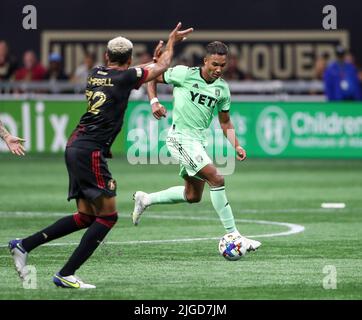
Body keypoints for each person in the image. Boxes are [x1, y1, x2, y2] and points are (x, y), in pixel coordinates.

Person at [8, 22, 193, 289]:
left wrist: (151, 62)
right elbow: (159, 69)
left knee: (85, 216)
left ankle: (24, 245)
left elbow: (145, 70)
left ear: (107, 57)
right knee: (108, 216)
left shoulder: (96, 72)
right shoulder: (126, 77)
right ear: (128, 59)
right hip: (90, 151)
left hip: (75, 145)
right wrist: (172, 41)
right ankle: (66, 273)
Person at [132, 41, 261, 252]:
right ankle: (234, 234)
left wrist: (236, 146)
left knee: (193, 196)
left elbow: (225, 121)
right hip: (179, 139)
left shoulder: (222, 89)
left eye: (222, 65)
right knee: (217, 178)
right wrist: (154, 101)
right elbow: (152, 75)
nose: (218, 69)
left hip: (198, 143)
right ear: (205, 61)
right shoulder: (184, 74)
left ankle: (145, 199)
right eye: (214, 64)